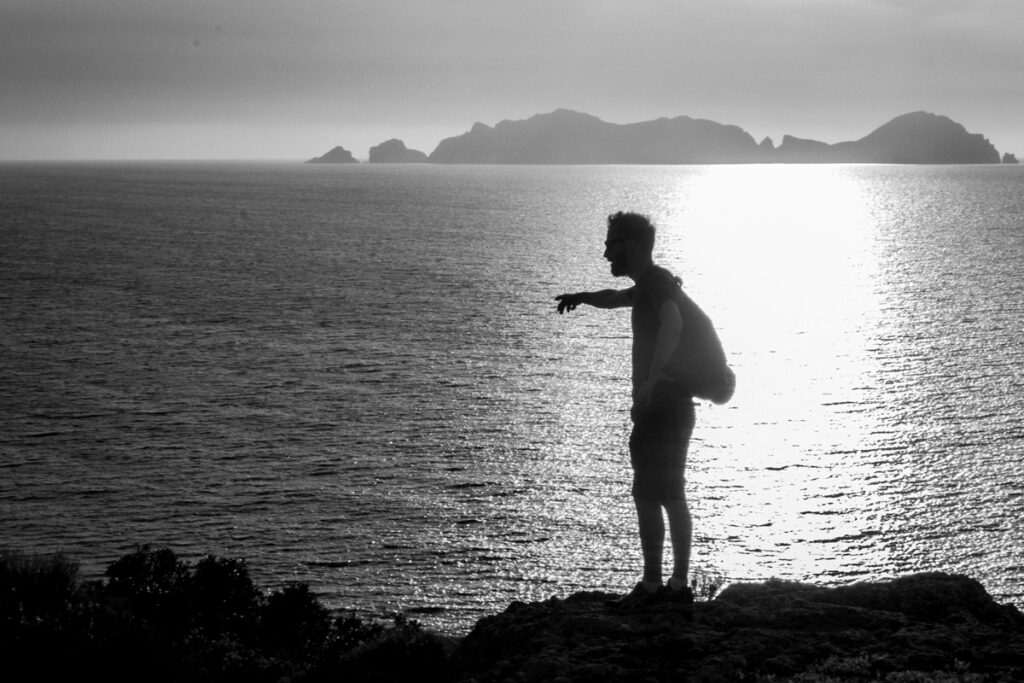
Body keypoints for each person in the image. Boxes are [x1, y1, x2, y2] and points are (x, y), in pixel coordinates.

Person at [555, 211, 700, 607]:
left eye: (611, 245)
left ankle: (657, 587)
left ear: (631, 246)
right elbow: (616, 298)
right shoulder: (653, 283)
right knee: (666, 494)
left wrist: (653, 377)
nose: (605, 254)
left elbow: (672, 323)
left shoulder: (655, 285)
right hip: (671, 407)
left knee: (652, 495)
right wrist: (581, 297)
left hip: (662, 407)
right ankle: (676, 586)